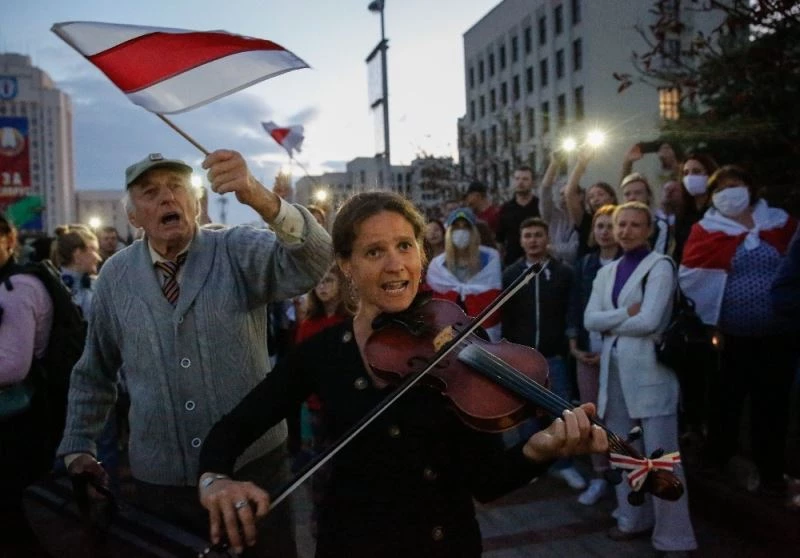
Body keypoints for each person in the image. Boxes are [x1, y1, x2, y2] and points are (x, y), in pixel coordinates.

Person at [197, 191, 609, 558]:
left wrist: (540, 449)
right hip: (352, 543)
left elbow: (487, 481)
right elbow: (235, 426)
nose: (396, 264)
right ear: (346, 265)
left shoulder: (462, 342)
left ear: (421, 255)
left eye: (404, 246)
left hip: (445, 544)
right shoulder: (320, 353)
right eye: (374, 252)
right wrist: (215, 478)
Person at [57, 150, 332, 558]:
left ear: (196, 202)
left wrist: (260, 196)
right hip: (162, 487)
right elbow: (94, 371)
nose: (167, 198)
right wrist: (79, 446)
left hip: (253, 471)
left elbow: (314, 260)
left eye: (177, 188)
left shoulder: (236, 249)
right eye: (151, 193)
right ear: (134, 216)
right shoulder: (115, 277)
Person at [584, 202, 697, 554]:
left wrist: (612, 321)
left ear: (649, 229)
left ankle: (674, 537)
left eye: (636, 224)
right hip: (613, 374)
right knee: (624, 453)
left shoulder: (660, 266)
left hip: (650, 375)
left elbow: (651, 321)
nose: (627, 230)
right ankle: (632, 520)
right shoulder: (606, 272)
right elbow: (590, 319)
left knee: (662, 458)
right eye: (622, 224)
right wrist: (623, 314)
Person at [679, 165, 797, 494]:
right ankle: (719, 457)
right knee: (725, 400)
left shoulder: (781, 223)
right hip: (729, 337)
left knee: (771, 404)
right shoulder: (707, 229)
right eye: (722, 188)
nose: (730, 191)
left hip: (778, 335)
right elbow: (691, 275)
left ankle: (770, 469)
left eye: (736, 184)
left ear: (750, 187)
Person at [501, 217, 584, 491]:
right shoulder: (511, 274)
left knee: (560, 411)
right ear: (521, 240)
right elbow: (507, 317)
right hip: (522, 357)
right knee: (526, 414)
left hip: (554, 356)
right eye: (528, 235)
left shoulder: (563, 272)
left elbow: (571, 310)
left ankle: (565, 465)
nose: (533, 240)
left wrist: (568, 340)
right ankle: (531, 466)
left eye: (538, 235)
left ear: (547, 239)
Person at [0, 211, 54, 557]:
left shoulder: (16, 288)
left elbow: (12, 367)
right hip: (15, 420)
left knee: (14, 524)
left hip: (18, 424)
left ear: (9, 241)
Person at [566, 204, 621, 505]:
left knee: (620, 416)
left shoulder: (630, 264)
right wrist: (574, 343)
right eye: (599, 226)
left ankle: (623, 476)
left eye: (610, 225)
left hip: (618, 354)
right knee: (593, 415)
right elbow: (575, 304)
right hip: (588, 351)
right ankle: (600, 476)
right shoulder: (585, 264)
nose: (605, 231)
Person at [424, 207, 503, 341]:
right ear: (449, 232)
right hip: (450, 332)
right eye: (456, 227)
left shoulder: (490, 258)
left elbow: (493, 295)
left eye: (466, 227)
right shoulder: (437, 265)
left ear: (474, 231)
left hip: (484, 330)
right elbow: (435, 305)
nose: (461, 232)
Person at [563, 146, 618, 257]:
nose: (596, 199)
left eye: (600, 194)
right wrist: (581, 163)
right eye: (591, 197)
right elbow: (569, 193)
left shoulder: (621, 218)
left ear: (612, 198)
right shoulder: (585, 220)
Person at [51, 224, 102, 318]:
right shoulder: (52, 289)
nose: (99, 258)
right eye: (94, 250)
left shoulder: (99, 285)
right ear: (77, 254)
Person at [538, 151, 579, 265]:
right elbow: (545, 191)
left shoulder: (583, 218)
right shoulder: (553, 214)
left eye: (567, 194)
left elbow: (573, 252)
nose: (564, 197)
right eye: (561, 194)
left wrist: (550, 247)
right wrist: (554, 164)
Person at [496, 165, 541, 267]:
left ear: (532, 182)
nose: (520, 182)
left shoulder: (540, 206)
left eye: (525, 179)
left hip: (536, 263)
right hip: (512, 263)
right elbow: (500, 240)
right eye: (517, 179)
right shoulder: (505, 208)